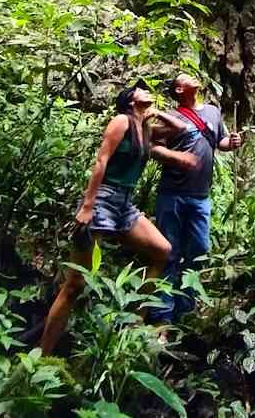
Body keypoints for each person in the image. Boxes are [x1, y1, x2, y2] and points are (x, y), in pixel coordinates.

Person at [39, 79, 198, 355]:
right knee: (76, 283)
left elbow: (182, 128)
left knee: (163, 250)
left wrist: (156, 113)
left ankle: (133, 325)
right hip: (102, 198)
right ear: (130, 100)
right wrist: (87, 206)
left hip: (125, 203)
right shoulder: (121, 122)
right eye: (141, 91)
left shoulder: (145, 128)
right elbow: (101, 161)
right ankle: (44, 354)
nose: (148, 92)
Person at [148, 73, 242, 325]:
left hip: (201, 195)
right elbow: (153, 147)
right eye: (186, 78)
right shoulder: (172, 117)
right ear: (179, 90)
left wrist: (231, 142)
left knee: (199, 250)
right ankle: (162, 317)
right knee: (169, 253)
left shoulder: (212, 111)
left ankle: (185, 311)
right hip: (172, 193)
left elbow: (219, 141)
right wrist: (176, 158)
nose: (193, 77)